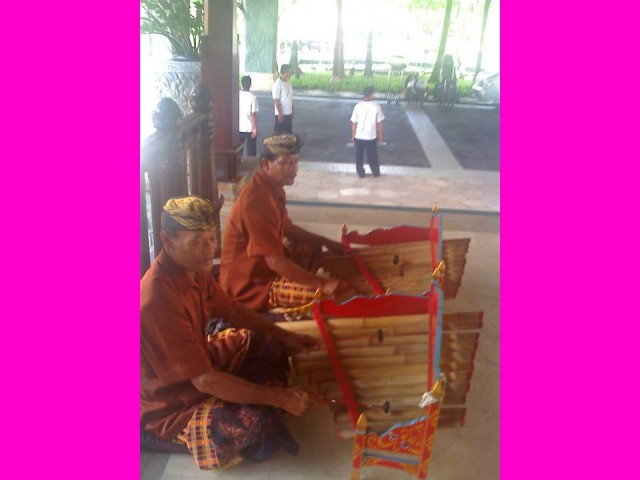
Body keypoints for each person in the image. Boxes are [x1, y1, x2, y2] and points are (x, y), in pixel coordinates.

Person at [141, 195, 322, 470]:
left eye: (211, 238)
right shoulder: (156, 301)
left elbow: (234, 312)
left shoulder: (194, 269)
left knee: (266, 341)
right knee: (249, 426)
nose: (210, 249)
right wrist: (280, 398)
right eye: (198, 242)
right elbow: (204, 381)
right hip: (169, 403)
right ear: (167, 241)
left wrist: (287, 336)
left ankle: (259, 395)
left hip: (200, 360)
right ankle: (155, 435)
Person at [220, 134, 350, 314]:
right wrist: (323, 284)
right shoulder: (256, 201)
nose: (294, 169)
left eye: (296, 162)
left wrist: (327, 242)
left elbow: (287, 229)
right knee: (325, 297)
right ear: (266, 164)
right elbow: (274, 262)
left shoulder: (273, 187)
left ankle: (295, 283)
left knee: (312, 247)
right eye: (287, 163)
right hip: (250, 286)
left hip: (266, 270)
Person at [350, 86, 385, 178]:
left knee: (359, 155)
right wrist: (380, 135)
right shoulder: (376, 107)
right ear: (371, 94)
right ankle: (375, 171)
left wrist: (353, 135)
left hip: (359, 136)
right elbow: (379, 123)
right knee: (372, 155)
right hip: (371, 136)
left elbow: (354, 123)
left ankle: (360, 172)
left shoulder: (357, 106)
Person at [239, 75, 259, 156]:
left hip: (238, 127)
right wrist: (255, 128)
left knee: (239, 149)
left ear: (241, 84)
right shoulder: (252, 97)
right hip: (249, 128)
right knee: (251, 151)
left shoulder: (237, 95)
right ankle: (251, 166)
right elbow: (253, 114)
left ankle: (238, 164)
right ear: (250, 84)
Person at [272, 64, 294, 134]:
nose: (291, 73)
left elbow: (289, 96)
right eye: (290, 71)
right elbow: (276, 100)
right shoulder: (277, 84)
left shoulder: (288, 82)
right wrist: (280, 113)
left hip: (288, 113)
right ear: (285, 72)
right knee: (279, 135)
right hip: (281, 113)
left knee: (288, 134)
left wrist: (292, 107)